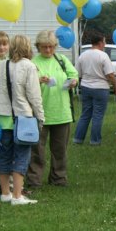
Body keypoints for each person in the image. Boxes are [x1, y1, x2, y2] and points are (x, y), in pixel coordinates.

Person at [27, 30, 78, 188]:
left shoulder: (61, 59)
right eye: (44, 47)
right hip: (39, 113)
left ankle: (59, 178)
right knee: (37, 150)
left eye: (51, 47)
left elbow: (73, 74)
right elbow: (25, 84)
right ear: (38, 47)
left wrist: (73, 81)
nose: (48, 50)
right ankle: (34, 180)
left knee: (60, 150)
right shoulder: (33, 63)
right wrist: (38, 80)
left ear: (55, 46)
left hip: (62, 112)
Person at [0, 35, 45, 205]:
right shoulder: (29, 66)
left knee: (3, 155)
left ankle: (5, 193)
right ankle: (18, 195)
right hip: (22, 118)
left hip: (3, 119)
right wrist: (40, 117)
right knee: (21, 156)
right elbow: (34, 96)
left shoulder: (1, 65)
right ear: (27, 47)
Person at [73, 33, 116, 146]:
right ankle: (95, 141)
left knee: (85, 114)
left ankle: (78, 139)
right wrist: (115, 87)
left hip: (86, 86)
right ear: (100, 43)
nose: (105, 45)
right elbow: (110, 75)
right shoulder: (103, 56)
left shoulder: (82, 55)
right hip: (101, 87)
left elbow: (78, 73)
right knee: (97, 115)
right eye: (104, 42)